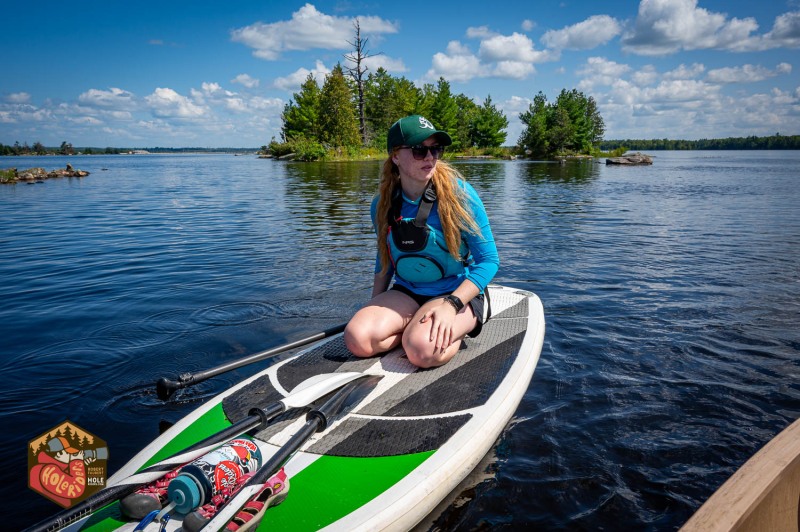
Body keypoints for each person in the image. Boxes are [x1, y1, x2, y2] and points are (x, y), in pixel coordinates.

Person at [344, 115, 499, 368]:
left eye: (435, 149)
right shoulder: (381, 205)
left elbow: (489, 261)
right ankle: (413, 331)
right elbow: (385, 260)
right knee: (357, 339)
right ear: (395, 156)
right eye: (419, 150)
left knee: (422, 352)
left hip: (454, 292)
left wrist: (452, 305)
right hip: (408, 290)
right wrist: (374, 303)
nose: (430, 157)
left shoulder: (461, 195)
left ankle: (444, 328)